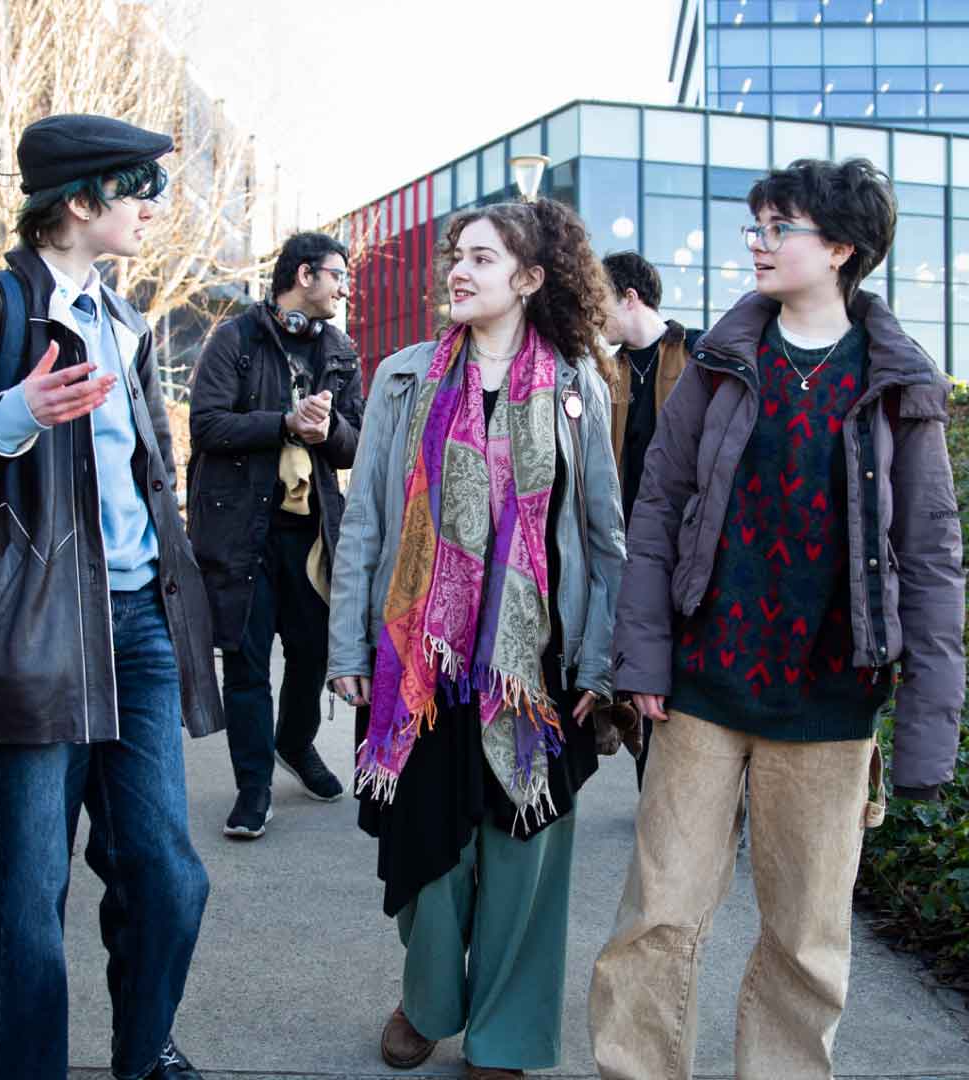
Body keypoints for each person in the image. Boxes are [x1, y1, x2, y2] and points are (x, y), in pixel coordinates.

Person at [589, 158, 967, 1080]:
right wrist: (640, 663)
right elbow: (657, 509)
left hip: (833, 704)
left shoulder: (898, 383)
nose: (756, 242)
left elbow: (931, 559)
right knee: (657, 920)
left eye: (778, 227)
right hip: (702, 695)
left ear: (840, 248)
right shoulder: (720, 364)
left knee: (806, 940)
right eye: (755, 225)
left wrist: (925, 732)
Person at [0, 114, 222, 1080]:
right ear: (80, 203)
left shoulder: (126, 322)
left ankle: (141, 1052)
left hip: (139, 629)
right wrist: (13, 415)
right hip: (30, 637)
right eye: (140, 191)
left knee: (167, 878)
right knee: (30, 899)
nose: (157, 209)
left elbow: (149, 480)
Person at [325, 198, 624, 1080]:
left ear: (530, 279)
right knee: (430, 858)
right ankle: (428, 1002)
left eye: (483, 259)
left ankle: (506, 1034)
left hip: (535, 673)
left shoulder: (578, 385)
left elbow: (606, 542)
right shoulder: (403, 378)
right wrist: (348, 650)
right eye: (457, 255)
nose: (459, 269)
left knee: (524, 858)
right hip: (419, 668)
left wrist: (599, 667)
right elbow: (367, 523)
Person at [188, 232, 363, 839]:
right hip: (241, 531)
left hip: (311, 533)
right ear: (304, 275)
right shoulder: (235, 339)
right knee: (247, 661)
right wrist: (283, 423)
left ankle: (295, 740)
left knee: (316, 654)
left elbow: (358, 440)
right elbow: (206, 426)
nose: (345, 287)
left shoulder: (339, 350)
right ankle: (253, 787)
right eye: (338, 275)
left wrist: (327, 431)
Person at [597, 250, 699, 785]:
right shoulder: (602, 373)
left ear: (630, 297)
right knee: (636, 665)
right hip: (625, 541)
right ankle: (651, 785)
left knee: (680, 664)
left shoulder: (698, 353)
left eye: (601, 301)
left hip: (685, 541)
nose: (595, 315)